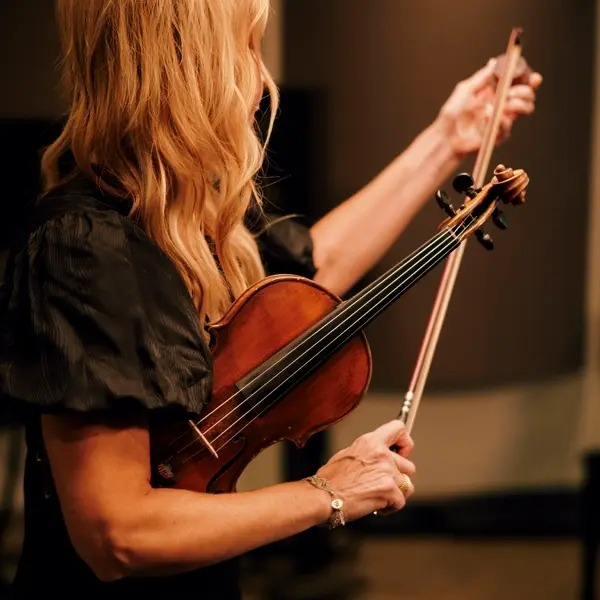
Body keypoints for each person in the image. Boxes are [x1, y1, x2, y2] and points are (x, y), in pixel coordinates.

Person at [0, 0, 542, 597]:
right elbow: (118, 533)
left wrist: (448, 138)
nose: (262, 79)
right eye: (246, 48)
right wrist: (328, 492)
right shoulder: (87, 245)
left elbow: (307, 277)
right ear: (184, 68)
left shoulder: (188, 213)